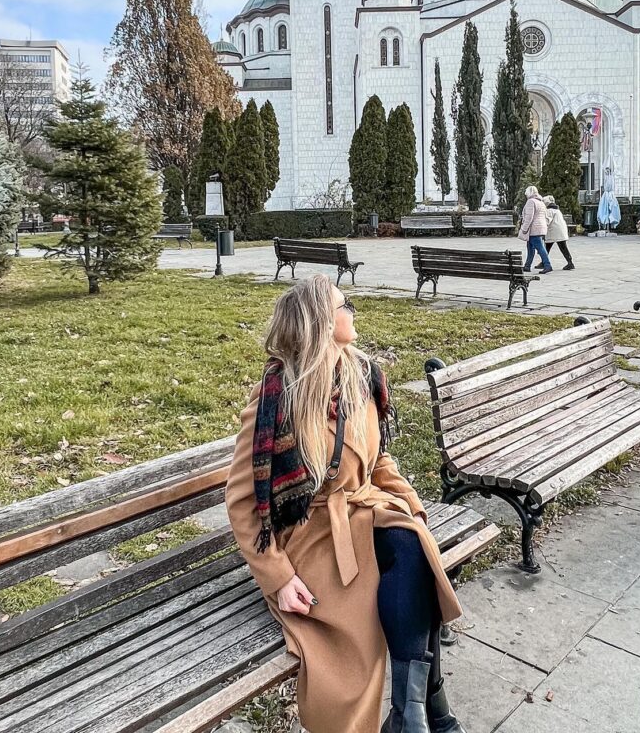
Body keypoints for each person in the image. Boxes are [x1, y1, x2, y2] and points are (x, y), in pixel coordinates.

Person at [225, 275, 465, 733]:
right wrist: (278, 578)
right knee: (354, 646)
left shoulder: (361, 375)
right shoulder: (278, 397)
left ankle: (409, 714)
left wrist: (411, 504)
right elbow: (240, 501)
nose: (351, 311)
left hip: (362, 510)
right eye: (344, 304)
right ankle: (429, 711)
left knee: (413, 543)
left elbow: (376, 458)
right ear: (319, 322)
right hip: (311, 536)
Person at [519, 186, 552, 273]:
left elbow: (529, 217)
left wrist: (524, 229)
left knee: (540, 248)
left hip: (534, 229)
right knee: (530, 247)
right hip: (540, 227)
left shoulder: (531, 201)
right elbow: (546, 216)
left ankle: (547, 265)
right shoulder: (540, 202)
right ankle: (527, 266)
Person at [540, 195, 575, 271]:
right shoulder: (557, 210)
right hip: (560, 231)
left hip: (554, 232)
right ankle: (570, 262)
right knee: (562, 247)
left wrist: (542, 229)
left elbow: (547, 221)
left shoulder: (549, 211)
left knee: (547, 247)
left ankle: (544, 262)